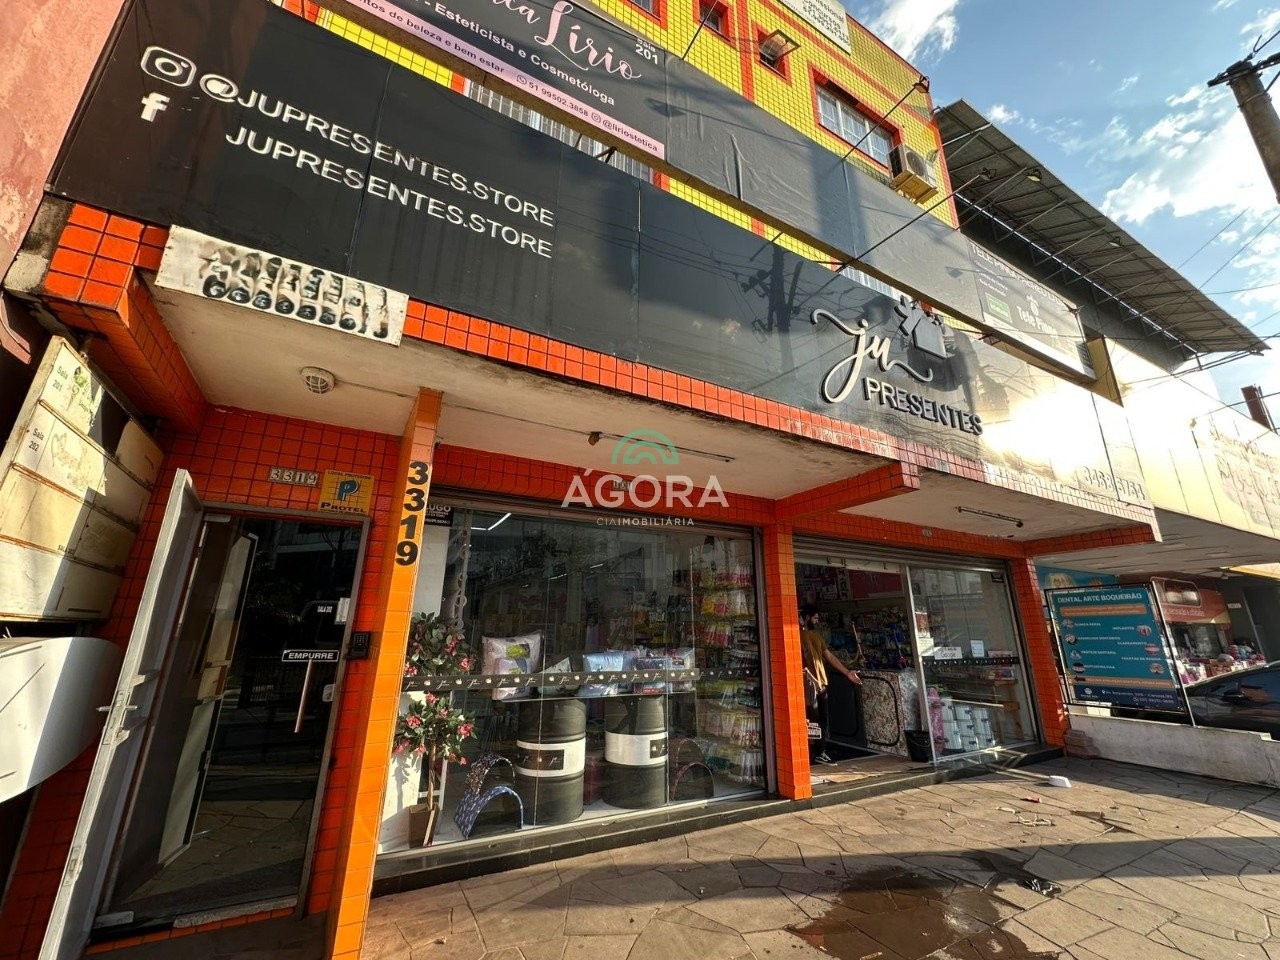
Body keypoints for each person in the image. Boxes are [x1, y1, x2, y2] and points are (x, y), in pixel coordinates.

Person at [801, 606, 861, 764]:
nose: (817, 621)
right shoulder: (797, 635)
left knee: (822, 719)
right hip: (808, 683)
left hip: (821, 682)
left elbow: (829, 656)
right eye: (815, 618)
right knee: (812, 718)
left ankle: (820, 751)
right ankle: (812, 752)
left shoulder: (816, 635)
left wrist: (847, 672)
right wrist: (812, 679)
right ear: (806, 617)